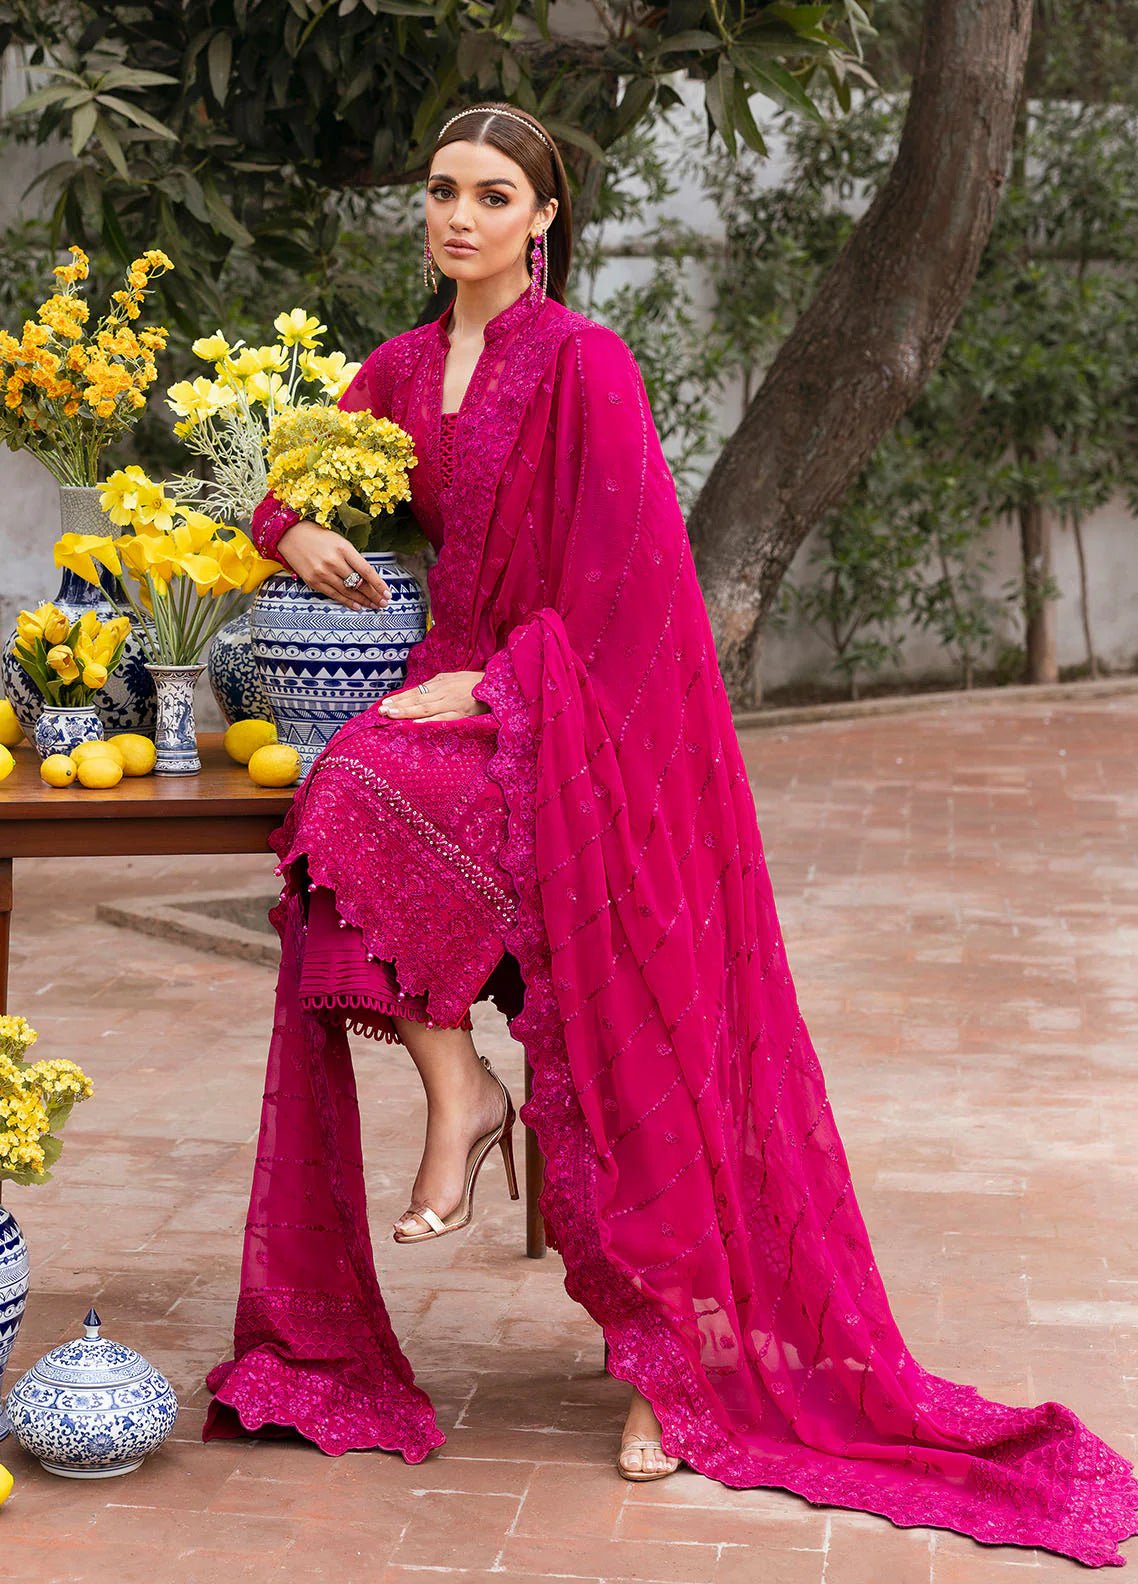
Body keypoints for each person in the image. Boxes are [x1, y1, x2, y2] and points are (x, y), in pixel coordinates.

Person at [203, 101, 1138, 1563]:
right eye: (442, 190)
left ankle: (682, 1371)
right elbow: (299, 480)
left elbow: (635, 596)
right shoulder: (391, 369)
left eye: (492, 195)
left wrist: (498, 687)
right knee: (328, 827)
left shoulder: (585, 363)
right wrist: (286, 530)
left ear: (542, 219)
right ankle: (460, 1093)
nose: (459, 216)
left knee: (632, 1022)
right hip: (448, 699)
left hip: (574, 712)